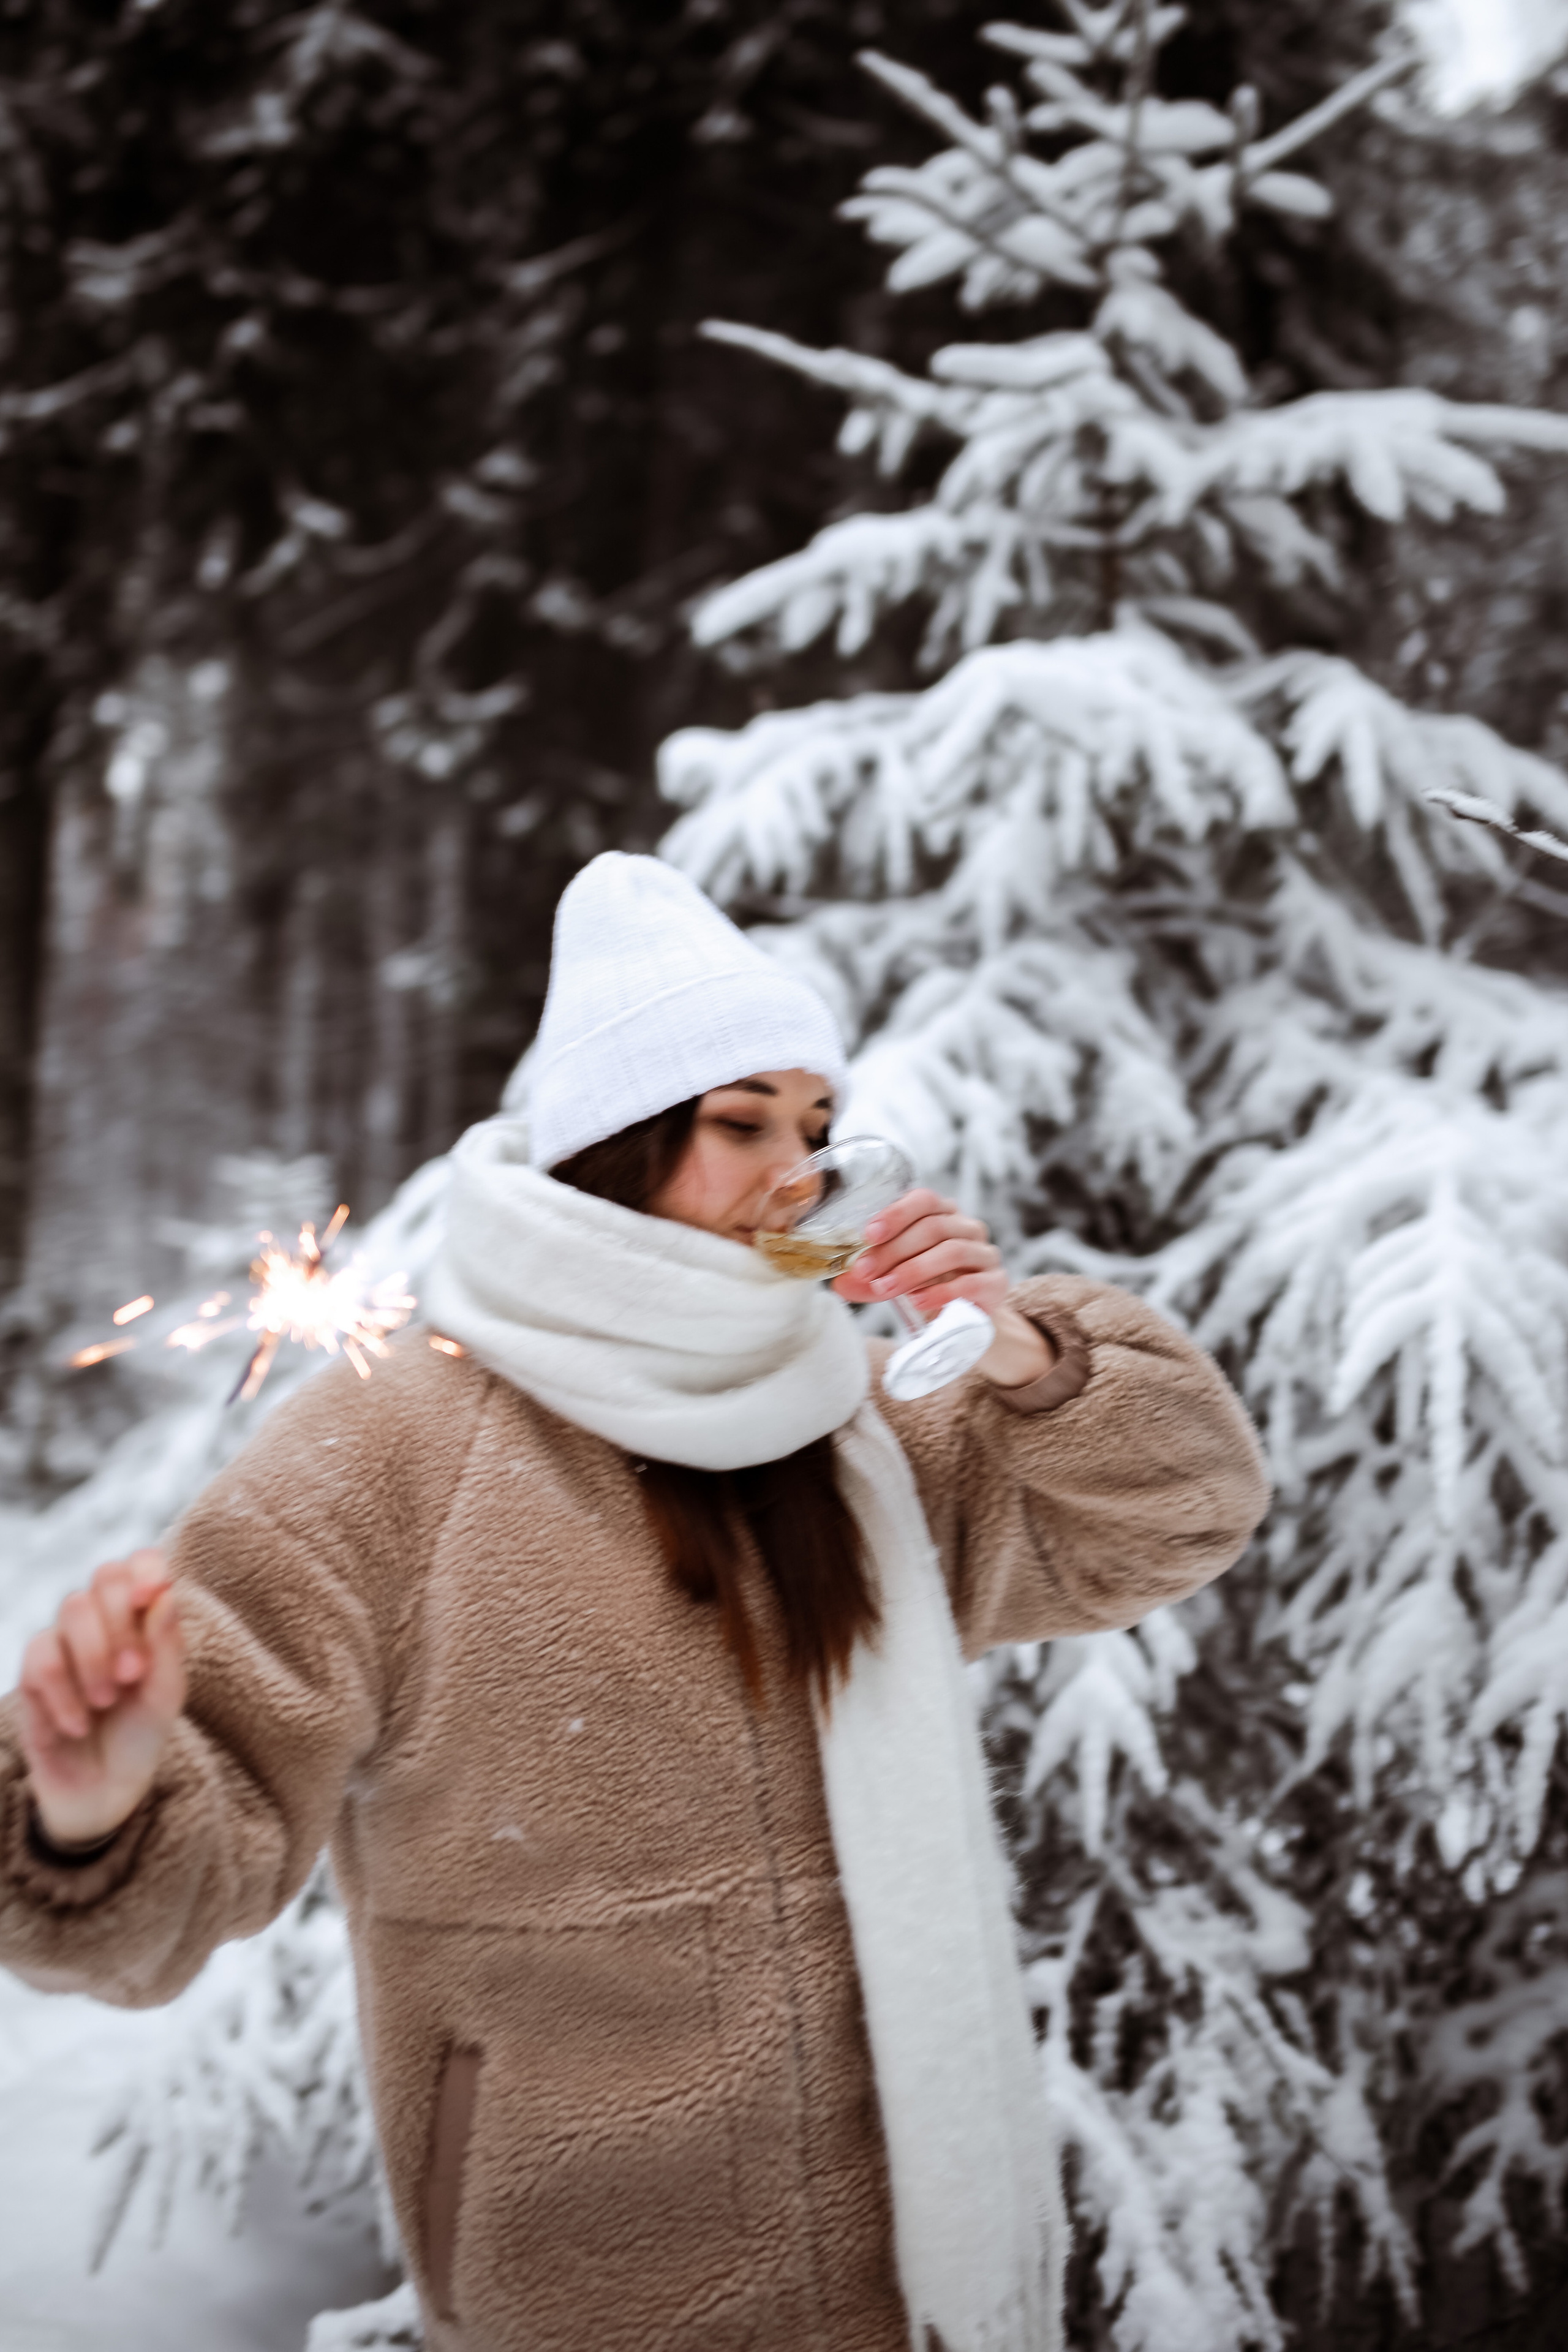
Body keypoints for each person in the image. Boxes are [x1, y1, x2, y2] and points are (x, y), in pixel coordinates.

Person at [0, 854, 1269, 2352]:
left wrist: (1022, 1360)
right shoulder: (393, 1444)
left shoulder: (856, 1427)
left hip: (902, 2286)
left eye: (813, 1126)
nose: (797, 1171)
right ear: (610, 1152)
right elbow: (155, 1881)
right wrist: (92, 1810)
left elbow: (1178, 1516)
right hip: (590, 2288)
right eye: (739, 1125)